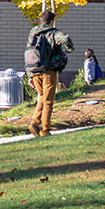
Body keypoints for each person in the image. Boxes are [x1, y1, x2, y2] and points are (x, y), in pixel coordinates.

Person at [26, 10, 73, 138]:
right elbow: (65, 39)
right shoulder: (53, 32)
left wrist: (29, 74)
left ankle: (34, 124)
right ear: (51, 21)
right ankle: (45, 130)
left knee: (41, 97)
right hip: (49, 71)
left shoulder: (33, 32)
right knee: (48, 101)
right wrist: (69, 49)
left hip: (34, 70)